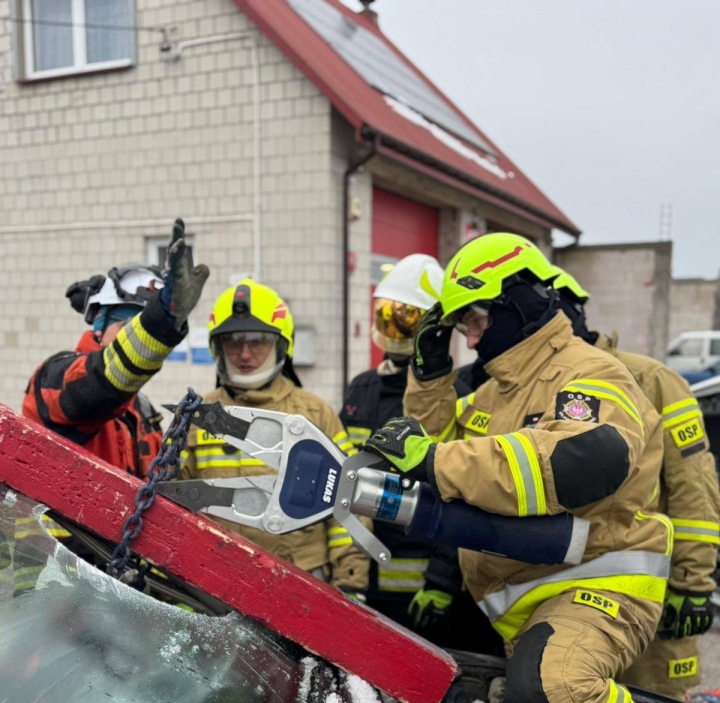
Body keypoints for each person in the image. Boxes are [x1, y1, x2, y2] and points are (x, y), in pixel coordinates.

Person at [362, 232, 671, 703]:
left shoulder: (589, 374)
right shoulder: (495, 393)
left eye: (475, 319)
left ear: (518, 302)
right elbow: (435, 453)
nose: (470, 337)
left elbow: (578, 463)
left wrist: (433, 460)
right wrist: (429, 377)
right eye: (460, 327)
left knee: (555, 692)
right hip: (523, 595)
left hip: (592, 581)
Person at [553, 269, 720, 700]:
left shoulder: (651, 380)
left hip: (652, 593)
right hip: (568, 597)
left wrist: (692, 583)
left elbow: (693, 487)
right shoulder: (541, 388)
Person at [179, 280, 370, 598]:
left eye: (257, 341)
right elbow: (175, 506)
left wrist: (350, 583)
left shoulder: (315, 415)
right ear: (218, 349)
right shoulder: (198, 417)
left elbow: (348, 504)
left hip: (300, 584)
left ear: (282, 345)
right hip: (216, 586)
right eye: (233, 342)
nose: (244, 353)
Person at [23, 219, 208, 478]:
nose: (136, 338)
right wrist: (160, 321)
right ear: (100, 326)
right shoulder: (52, 379)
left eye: (141, 327)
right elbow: (101, 383)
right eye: (128, 326)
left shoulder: (142, 409)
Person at [340, 255, 465, 637]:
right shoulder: (362, 388)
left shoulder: (456, 394)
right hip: (363, 576)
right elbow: (343, 472)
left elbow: (461, 494)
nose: (395, 329)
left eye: (407, 319)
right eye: (387, 316)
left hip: (424, 584)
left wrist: (442, 582)